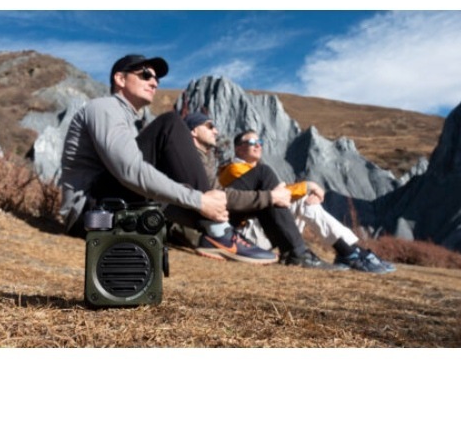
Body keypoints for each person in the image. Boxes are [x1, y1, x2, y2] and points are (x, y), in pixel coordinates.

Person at [59, 54, 276, 264]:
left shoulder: (133, 123)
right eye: (145, 75)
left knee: (173, 178)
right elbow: (129, 170)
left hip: (113, 207)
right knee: (170, 124)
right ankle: (218, 231)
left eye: (156, 79)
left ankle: (222, 231)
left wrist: (206, 204)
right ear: (120, 79)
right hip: (91, 216)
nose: (154, 83)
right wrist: (200, 201)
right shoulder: (105, 108)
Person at [217, 127, 396, 273]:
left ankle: (350, 250)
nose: (258, 145)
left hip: (261, 231)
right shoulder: (234, 170)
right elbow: (276, 195)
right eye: (252, 142)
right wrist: (308, 186)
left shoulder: (256, 170)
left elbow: (280, 194)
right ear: (238, 149)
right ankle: (349, 252)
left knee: (305, 201)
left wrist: (304, 190)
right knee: (302, 200)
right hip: (246, 236)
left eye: (260, 142)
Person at [184, 112, 338, 269]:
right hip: (208, 217)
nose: (215, 131)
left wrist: (271, 196)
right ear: (194, 131)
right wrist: (275, 195)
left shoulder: (206, 156)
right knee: (264, 175)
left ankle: (298, 252)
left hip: (218, 211)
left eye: (260, 142)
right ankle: (300, 253)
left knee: (268, 181)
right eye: (210, 126)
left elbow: (216, 192)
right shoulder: (192, 157)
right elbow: (213, 196)